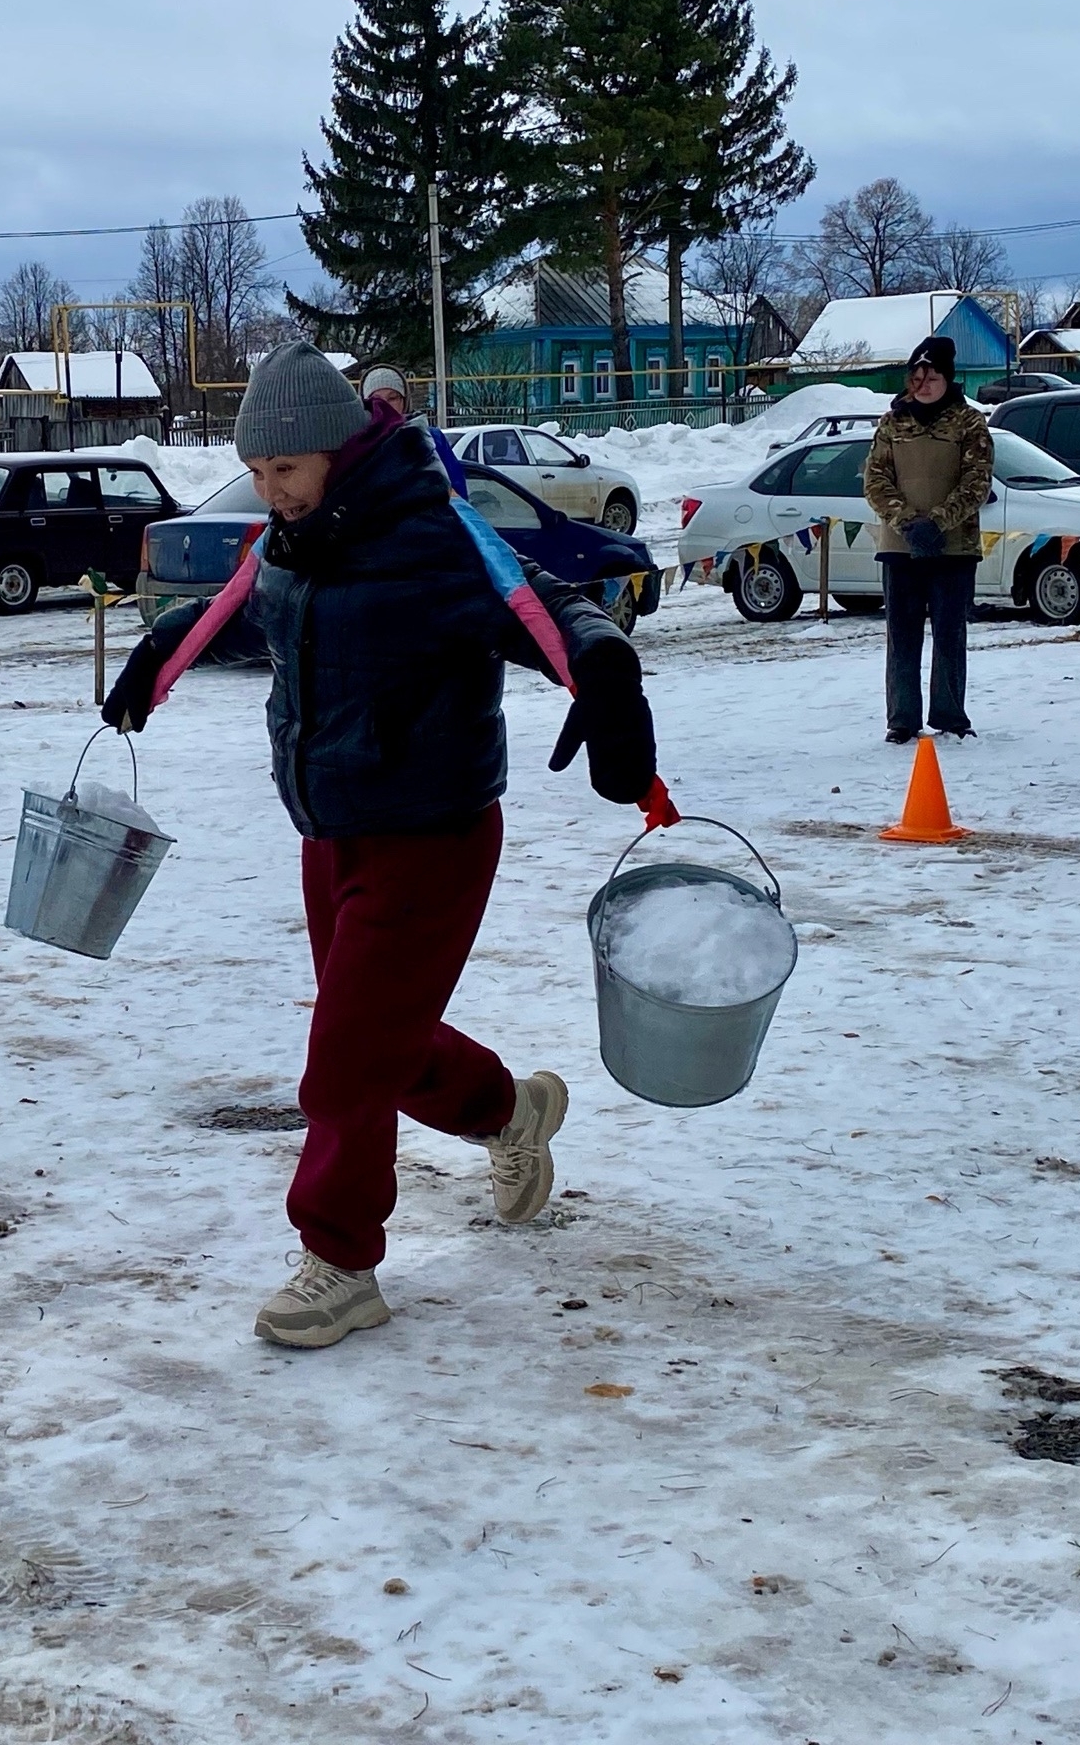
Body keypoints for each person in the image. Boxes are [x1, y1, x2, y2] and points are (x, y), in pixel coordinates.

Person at [101, 342, 661, 1350]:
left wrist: (606, 670)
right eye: (259, 474)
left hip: (432, 833)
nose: (271, 494)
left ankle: (341, 1261)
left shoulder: (430, 536)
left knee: (345, 1062)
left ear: (337, 452)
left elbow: (547, 608)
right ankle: (508, 1111)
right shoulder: (294, 543)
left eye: (286, 472)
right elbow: (260, 615)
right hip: (332, 833)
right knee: (381, 1042)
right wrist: (163, 647)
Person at [862, 336, 992, 743]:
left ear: (947, 378)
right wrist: (908, 523)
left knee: (950, 635)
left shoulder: (969, 422)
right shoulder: (891, 423)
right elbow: (875, 479)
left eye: (932, 375)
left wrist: (937, 523)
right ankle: (902, 719)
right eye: (916, 376)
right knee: (902, 637)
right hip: (901, 547)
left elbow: (977, 482)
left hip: (952, 547)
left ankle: (951, 716)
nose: (923, 383)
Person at [362, 362, 467, 492]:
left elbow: (457, 491)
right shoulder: (359, 446)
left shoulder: (431, 439)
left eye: (392, 398)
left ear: (404, 401)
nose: (385, 406)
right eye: (376, 400)